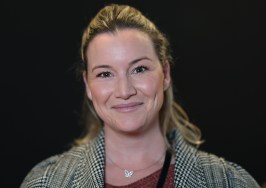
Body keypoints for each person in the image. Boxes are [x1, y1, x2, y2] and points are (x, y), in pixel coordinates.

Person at [20, 3, 260, 188]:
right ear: (87, 85)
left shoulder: (229, 181)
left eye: (139, 69)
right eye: (105, 74)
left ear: (165, 74)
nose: (125, 91)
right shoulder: (46, 181)